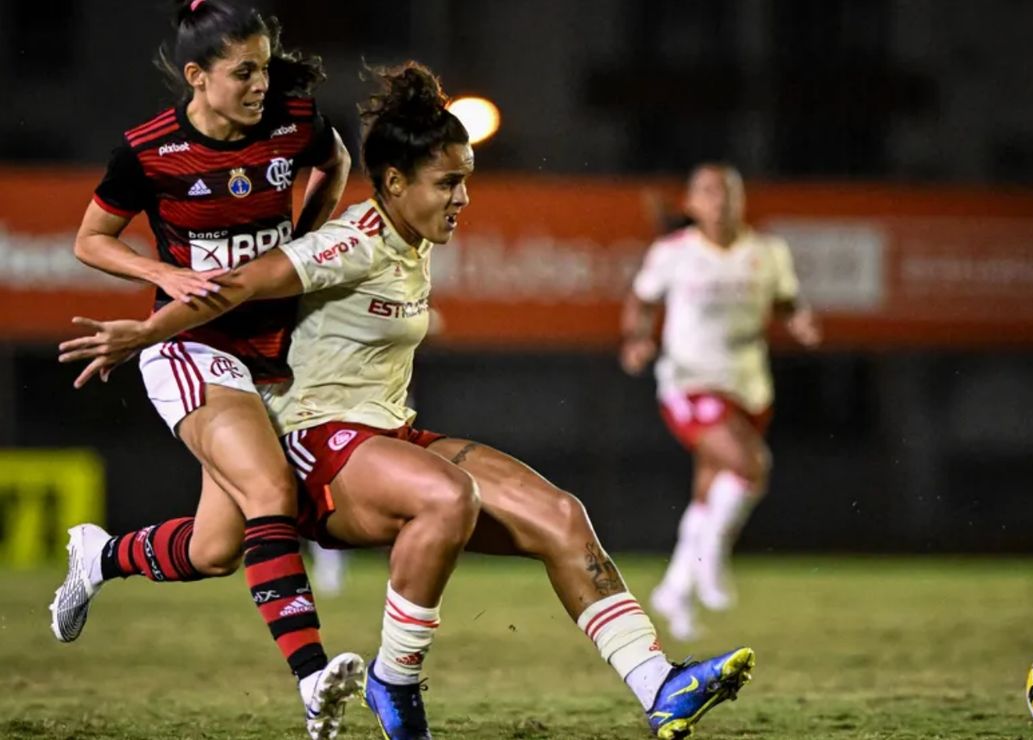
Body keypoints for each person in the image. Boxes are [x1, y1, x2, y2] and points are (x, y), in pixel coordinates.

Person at [58, 61, 757, 740]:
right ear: (394, 181)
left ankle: (657, 683)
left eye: (467, 181)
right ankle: (393, 684)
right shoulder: (354, 242)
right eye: (449, 183)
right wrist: (144, 331)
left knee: (559, 515)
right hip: (309, 444)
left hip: (382, 436)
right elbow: (243, 281)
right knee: (445, 498)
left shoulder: (410, 236)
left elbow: (327, 167)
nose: (463, 198)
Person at [48, 2, 365, 737]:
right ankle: (313, 677)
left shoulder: (291, 120)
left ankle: (101, 556)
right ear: (197, 76)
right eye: (243, 71)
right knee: (269, 489)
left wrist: (301, 243)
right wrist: (166, 273)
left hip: (268, 347)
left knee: (216, 548)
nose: (261, 84)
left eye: (264, 66)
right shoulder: (150, 150)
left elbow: (336, 161)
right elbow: (91, 240)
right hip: (187, 345)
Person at [620, 163, 822, 641]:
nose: (721, 201)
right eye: (709, 193)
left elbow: (787, 302)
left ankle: (675, 590)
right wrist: (636, 339)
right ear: (691, 204)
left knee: (711, 494)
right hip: (689, 381)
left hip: (748, 384)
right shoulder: (673, 253)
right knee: (751, 465)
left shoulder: (768, 252)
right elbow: (642, 301)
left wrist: (800, 322)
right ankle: (710, 563)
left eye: (729, 192)